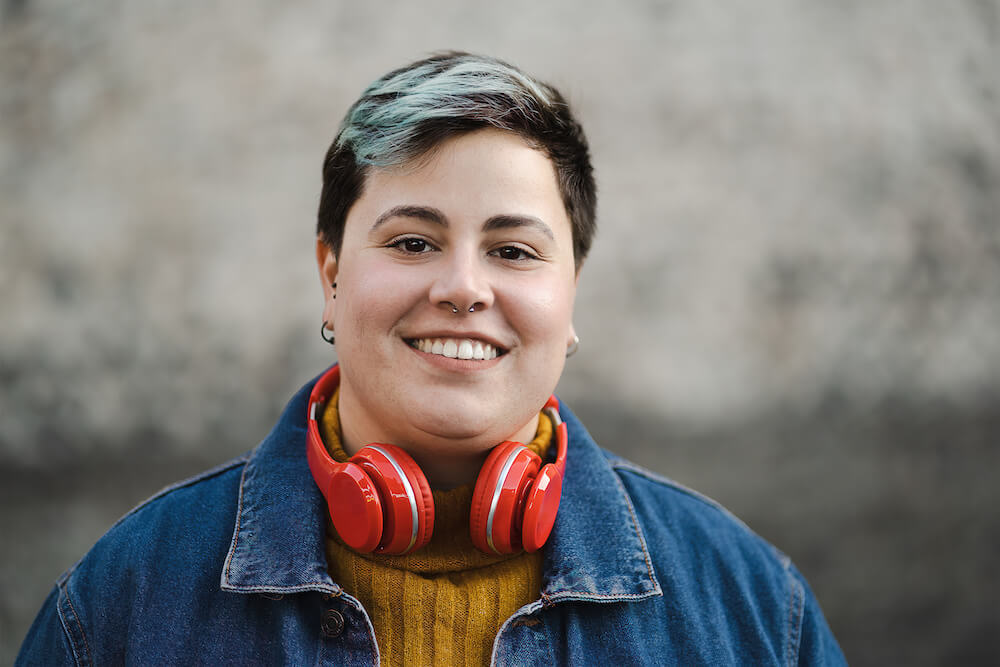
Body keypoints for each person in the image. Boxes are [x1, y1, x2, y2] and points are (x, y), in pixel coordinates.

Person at [17, 52, 845, 665]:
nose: (463, 287)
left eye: (514, 252)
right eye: (413, 240)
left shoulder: (754, 609)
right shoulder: (122, 601)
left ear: (572, 296)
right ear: (331, 274)